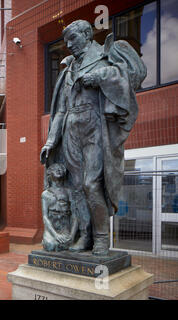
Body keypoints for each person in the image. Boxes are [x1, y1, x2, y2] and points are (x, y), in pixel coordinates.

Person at [40, 20, 146, 256]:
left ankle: (101, 238)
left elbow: (128, 78)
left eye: (73, 39)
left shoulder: (104, 58)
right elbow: (60, 110)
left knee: (91, 184)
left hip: (94, 127)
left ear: (87, 35)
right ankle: (85, 235)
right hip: (70, 130)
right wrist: (50, 141)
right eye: (66, 41)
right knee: (76, 187)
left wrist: (100, 77)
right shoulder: (67, 70)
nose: (69, 45)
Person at [41, 163, 77, 252]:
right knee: (51, 246)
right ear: (49, 174)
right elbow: (45, 217)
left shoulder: (68, 192)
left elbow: (75, 215)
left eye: (60, 168)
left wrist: (72, 235)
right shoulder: (45, 194)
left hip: (65, 227)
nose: (58, 169)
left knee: (66, 244)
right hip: (52, 228)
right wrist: (55, 235)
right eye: (55, 168)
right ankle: (47, 240)